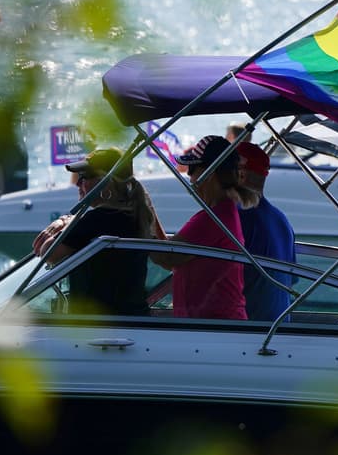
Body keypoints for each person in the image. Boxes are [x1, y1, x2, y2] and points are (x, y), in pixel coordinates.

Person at [31, 147, 163, 316]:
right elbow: (164, 255)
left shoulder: (98, 219)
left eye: (84, 177)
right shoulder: (135, 218)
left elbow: (48, 252)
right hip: (132, 319)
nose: (78, 183)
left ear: (105, 183)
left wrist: (66, 221)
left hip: (99, 326)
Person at [149, 135, 247, 320]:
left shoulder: (212, 220)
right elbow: (173, 253)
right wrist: (150, 214)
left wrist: (143, 217)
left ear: (208, 174)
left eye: (193, 169)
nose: (189, 176)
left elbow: (168, 257)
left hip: (213, 326)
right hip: (217, 324)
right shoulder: (223, 213)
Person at [235, 143, 297, 320]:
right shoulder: (281, 219)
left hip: (249, 334)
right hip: (279, 330)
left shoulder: (238, 219)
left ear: (241, 174)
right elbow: (290, 281)